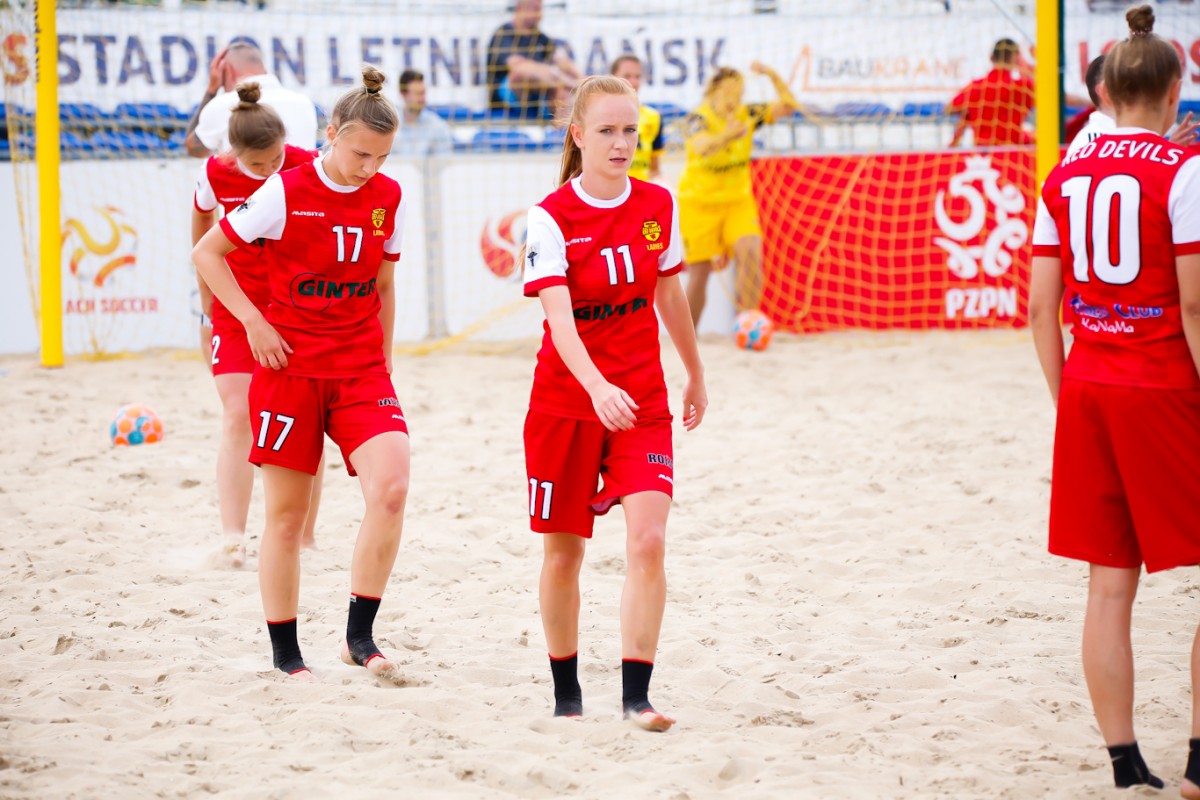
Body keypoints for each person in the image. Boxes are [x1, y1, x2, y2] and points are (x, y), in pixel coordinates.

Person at [192, 66, 411, 683]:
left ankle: (359, 638)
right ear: (331, 134)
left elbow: (384, 284)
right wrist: (253, 323)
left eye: (382, 157)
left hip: (360, 368)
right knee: (286, 519)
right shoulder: (285, 190)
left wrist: (385, 358)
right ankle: (287, 655)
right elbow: (207, 252)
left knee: (392, 489)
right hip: (290, 368)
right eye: (361, 154)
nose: (370, 168)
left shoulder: (389, 196)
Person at [1029, 6, 1200, 792]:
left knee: (1107, 586)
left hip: (1090, 385)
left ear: (1102, 92)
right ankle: (1199, 758)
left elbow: (1040, 310)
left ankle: (1125, 764)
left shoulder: (1063, 175)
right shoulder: (1183, 170)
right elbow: (1193, 305)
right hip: (1163, 385)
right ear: (1174, 92)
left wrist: (1068, 397)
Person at [520, 74, 707, 730]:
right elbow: (560, 322)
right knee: (564, 555)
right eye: (606, 130)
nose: (621, 142)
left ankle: (636, 697)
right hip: (567, 405)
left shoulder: (658, 203)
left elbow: (669, 295)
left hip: (642, 403)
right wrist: (597, 387)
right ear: (578, 135)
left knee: (649, 541)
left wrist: (695, 372)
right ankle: (566, 693)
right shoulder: (549, 218)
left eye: (630, 130)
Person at [192, 82, 323, 568]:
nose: (270, 171)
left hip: (295, 306)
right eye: (258, 164)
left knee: (304, 421)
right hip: (236, 305)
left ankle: (305, 537)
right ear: (234, 154)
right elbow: (201, 226)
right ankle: (233, 537)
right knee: (237, 414)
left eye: (276, 160)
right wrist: (207, 297)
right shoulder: (215, 171)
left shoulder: (307, 163)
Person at [677, 62, 798, 327]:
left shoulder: (748, 113)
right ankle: (688, 335)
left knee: (751, 251)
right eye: (729, 93)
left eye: (739, 93)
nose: (734, 100)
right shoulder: (697, 119)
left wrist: (773, 75)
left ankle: (749, 322)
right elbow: (703, 147)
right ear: (713, 92)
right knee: (699, 274)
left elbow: (789, 106)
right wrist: (728, 135)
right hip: (699, 204)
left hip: (737, 201)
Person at [185, 41, 318, 157]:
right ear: (263, 69)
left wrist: (211, 90)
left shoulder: (221, 105)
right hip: (300, 179)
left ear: (225, 70)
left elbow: (195, 150)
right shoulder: (304, 103)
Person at [1069, 53, 1198, 157]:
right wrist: (1167, 153)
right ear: (1105, 91)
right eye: (1124, 82)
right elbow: (1131, 176)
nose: (1133, 87)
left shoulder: (1132, 130)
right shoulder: (1091, 139)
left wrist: (1169, 150)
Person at [485, 0, 582, 119]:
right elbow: (517, 66)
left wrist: (581, 78)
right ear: (520, 8)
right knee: (522, 71)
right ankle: (575, 85)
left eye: (540, 9)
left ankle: (562, 127)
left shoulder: (540, 37)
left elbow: (561, 59)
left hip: (538, 94)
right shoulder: (503, 33)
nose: (539, 14)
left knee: (562, 92)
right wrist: (560, 76)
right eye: (535, 9)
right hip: (509, 95)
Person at [947, 38, 1035, 147]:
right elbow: (1051, 99)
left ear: (991, 58)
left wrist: (968, 114)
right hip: (1013, 151)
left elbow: (950, 108)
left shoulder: (975, 86)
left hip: (982, 153)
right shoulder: (1023, 87)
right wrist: (1027, 67)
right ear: (1015, 58)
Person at [611, 54, 664, 183]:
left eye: (637, 77)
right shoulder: (598, 115)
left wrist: (659, 182)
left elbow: (655, 168)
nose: (633, 82)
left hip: (640, 189)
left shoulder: (653, 117)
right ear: (612, 78)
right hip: (609, 190)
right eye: (627, 76)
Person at [392, 69, 454, 159]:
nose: (422, 98)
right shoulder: (390, 126)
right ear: (403, 94)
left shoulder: (437, 126)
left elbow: (444, 162)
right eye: (417, 93)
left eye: (423, 93)